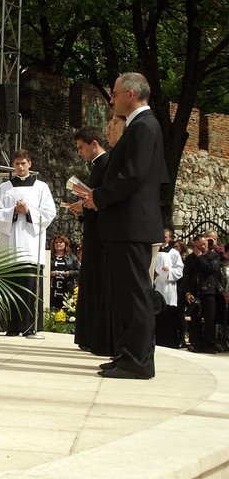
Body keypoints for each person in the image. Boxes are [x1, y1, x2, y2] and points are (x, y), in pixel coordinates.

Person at [78, 72, 169, 380]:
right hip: (125, 226)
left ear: (130, 95)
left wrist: (98, 196)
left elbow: (133, 176)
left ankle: (138, 361)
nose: (112, 98)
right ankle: (126, 355)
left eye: (115, 93)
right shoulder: (140, 126)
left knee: (135, 296)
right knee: (125, 295)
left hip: (133, 225)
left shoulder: (144, 126)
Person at [0, 149, 57, 335]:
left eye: (23, 163)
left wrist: (27, 211)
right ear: (13, 165)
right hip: (9, 244)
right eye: (17, 163)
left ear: (30, 164)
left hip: (30, 243)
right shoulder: (4, 188)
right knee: (10, 287)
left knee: (29, 286)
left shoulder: (41, 187)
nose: (20, 167)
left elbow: (50, 212)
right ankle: (10, 327)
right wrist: (13, 211)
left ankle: (29, 327)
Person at [69, 127, 110, 354]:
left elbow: (105, 198)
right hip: (94, 230)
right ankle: (88, 335)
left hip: (102, 234)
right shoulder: (98, 166)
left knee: (97, 283)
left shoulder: (106, 163)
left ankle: (95, 336)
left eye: (81, 147)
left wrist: (86, 204)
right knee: (90, 282)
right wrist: (83, 207)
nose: (79, 153)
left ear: (94, 143)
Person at [183, 235, 221, 353]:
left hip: (209, 291)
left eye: (204, 244)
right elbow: (186, 276)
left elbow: (210, 269)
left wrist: (199, 257)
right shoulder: (190, 259)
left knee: (210, 319)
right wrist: (187, 292)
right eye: (199, 246)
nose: (202, 247)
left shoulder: (213, 256)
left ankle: (209, 344)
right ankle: (196, 343)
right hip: (195, 292)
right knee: (195, 319)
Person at [153, 228, 184, 348]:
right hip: (155, 285)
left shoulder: (173, 253)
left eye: (165, 237)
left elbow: (179, 270)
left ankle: (168, 342)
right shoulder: (153, 250)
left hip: (167, 287)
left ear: (169, 238)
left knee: (168, 316)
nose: (162, 238)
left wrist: (169, 271)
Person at [49, 235, 80, 309]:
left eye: (61, 242)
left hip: (67, 288)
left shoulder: (72, 257)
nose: (58, 244)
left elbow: (80, 271)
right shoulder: (48, 256)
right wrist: (49, 273)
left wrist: (70, 273)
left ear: (65, 244)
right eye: (56, 242)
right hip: (52, 289)